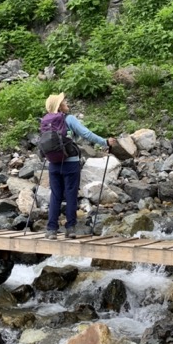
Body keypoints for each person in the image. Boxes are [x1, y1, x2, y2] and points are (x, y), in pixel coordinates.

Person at [43, 93, 117, 240]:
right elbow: (86, 134)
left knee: (55, 195)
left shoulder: (46, 122)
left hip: (53, 164)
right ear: (60, 106)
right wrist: (105, 142)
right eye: (64, 101)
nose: (66, 102)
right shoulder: (68, 119)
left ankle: (51, 230)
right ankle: (70, 228)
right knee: (70, 194)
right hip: (70, 163)